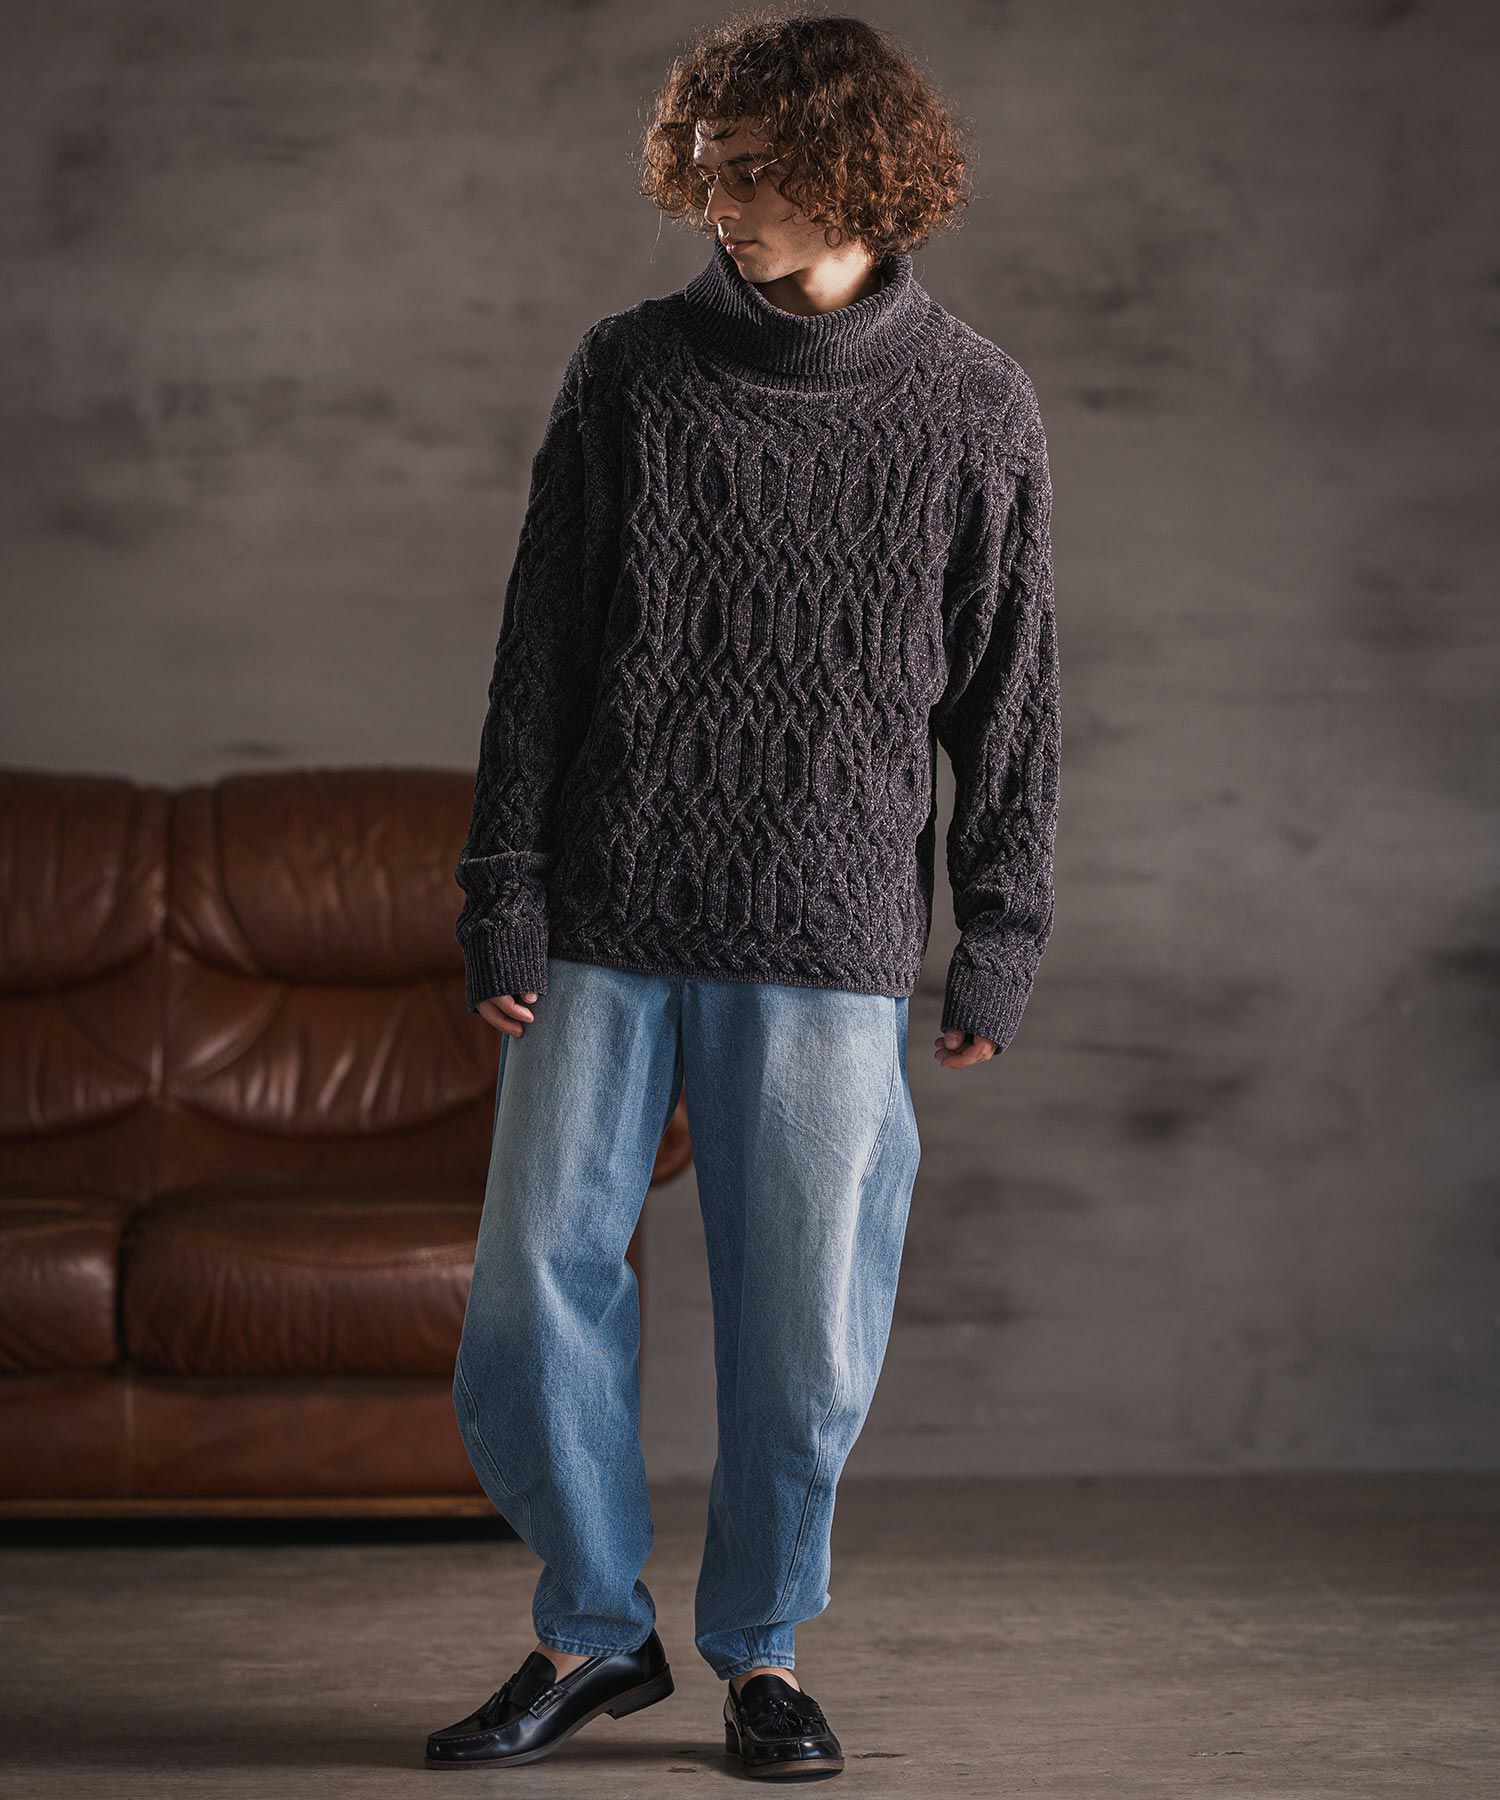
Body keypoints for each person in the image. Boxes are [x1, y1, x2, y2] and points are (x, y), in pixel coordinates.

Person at [424, 11, 1059, 1778]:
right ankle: (589, 1630)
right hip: (606, 911)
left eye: (757, 170)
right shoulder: (628, 372)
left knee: (805, 1334)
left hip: (830, 929)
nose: (718, 200)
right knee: (528, 1296)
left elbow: (1009, 693)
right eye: (703, 168)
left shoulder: (976, 405)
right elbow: (539, 657)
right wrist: (503, 887)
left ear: (858, 168)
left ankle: (764, 1655)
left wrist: (1001, 930)